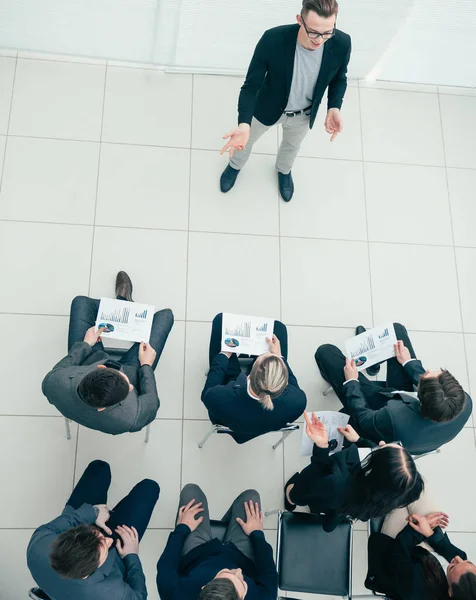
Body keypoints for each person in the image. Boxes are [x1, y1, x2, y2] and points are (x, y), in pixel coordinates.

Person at [219, 0, 351, 202]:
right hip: (267, 107)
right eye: (314, 32)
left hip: (303, 114)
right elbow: (251, 85)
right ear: (300, 20)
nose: (320, 40)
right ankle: (235, 166)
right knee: (245, 140)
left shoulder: (342, 43)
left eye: (327, 32)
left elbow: (339, 78)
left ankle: (284, 170)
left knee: (292, 145)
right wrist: (244, 123)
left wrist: (334, 107)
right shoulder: (273, 39)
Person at [42, 271, 174, 434]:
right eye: (129, 388)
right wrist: (146, 365)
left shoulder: (52, 383)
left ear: (101, 368)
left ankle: (121, 305)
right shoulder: (133, 418)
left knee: (81, 302)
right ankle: (124, 306)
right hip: (135, 369)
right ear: (102, 408)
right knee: (165, 316)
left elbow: (69, 361)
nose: (131, 387)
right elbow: (151, 398)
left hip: (91, 360)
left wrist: (86, 344)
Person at [315, 323, 473, 454]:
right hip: (410, 410)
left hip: (385, 410)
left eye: (426, 375)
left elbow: (363, 417)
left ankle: (340, 377)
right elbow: (434, 389)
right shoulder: (465, 402)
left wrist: (351, 382)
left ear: (420, 393)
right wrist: (408, 362)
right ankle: (371, 362)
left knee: (325, 353)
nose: (428, 370)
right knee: (396, 331)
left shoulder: (393, 416)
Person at [27, 460, 159, 600]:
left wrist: (93, 512)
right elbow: (140, 597)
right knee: (150, 488)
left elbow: (50, 528)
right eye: (104, 546)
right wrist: (132, 555)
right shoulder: (114, 593)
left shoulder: (37, 546)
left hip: (82, 519)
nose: (108, 539)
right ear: (86, 574)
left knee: (99, 468)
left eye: (97, 536)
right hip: (120, 553)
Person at [284, 413, 424, 532]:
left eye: (382, 448)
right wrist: (358, 440)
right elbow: (381, 462)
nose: (380, 442)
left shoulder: (337, 481)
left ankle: (290, 497)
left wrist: (321, 446)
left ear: (374, 468)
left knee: (296, 493)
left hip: (325, 491)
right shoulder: (400, 486)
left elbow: (315, 476)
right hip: (341, 508)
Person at [156, 484, 278, 600]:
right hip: (242, 557)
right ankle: (229, 525)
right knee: (251, 497)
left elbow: (165, 567)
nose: (238, 571)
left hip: (197, 557)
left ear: (204, 588)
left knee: (191, 491)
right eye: (242, 583)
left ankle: (228, 525)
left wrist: (182, 528)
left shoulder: (175, 596)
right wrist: (257, 533)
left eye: (227, 572)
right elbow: (269, 574)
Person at [201, 313, 307, 443]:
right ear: (282, 381)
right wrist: (279, 356)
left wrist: (224, 354)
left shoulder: (221, 398)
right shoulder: (297, 402)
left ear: (248, 376)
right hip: (265, 422)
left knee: (220, 321)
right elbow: (292, 382)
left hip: (231, 415)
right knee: (278, 328)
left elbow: (208, 391)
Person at [366, 508, 476, 600]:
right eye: (467, 562)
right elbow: (444, 545)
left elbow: (397, 551)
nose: (457, 558)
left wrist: (416, 530)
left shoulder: (419, 590)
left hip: (395, 548)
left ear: (450, 592)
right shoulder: (463, 568)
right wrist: (428, 532)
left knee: (405, 495)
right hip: (420, 551)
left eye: (452, 567)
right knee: (425, 503)